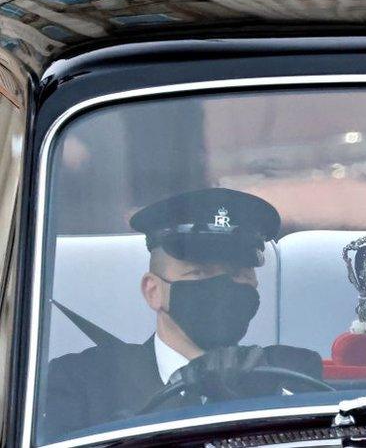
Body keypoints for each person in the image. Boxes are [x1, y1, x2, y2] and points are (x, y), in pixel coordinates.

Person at [41, 188, 324, 439]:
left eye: (238, 275)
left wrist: (264, 402)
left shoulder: (289, 374)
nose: (221, 288)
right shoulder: (84, 381)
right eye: (198, 272)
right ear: (153, 291)